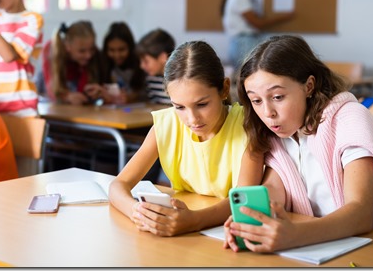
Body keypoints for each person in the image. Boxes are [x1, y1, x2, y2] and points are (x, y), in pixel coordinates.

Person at [224, 35, 373, 253]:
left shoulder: (349, 119)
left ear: (308, 86)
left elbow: (360, 213)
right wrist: (252, 223)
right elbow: (274, 189)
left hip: (371, 247)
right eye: (256, 101)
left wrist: (295, 235)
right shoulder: (277, 134)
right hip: (317, 247)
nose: (268, 113)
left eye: (277, 97)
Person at [109, 40, 264, 237]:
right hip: (185, 232)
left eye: (202, 104)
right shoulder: (165, 126)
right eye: (179, 107)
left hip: (224, 233)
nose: (192, 119)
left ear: (224, 89)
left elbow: (243, 199)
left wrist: (194, 221)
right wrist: (138, 212)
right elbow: (117, 185)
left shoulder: (248, 126)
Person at [220, 0, 294, 71]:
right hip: (243, 44)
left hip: (241, 43)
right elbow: (257, 23)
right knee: (247, 76)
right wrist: (283, 17)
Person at [38, 21, 108, 105]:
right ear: (68, 46)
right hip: (49, 89)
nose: (88, 55)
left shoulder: (93, 53)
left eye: (91, 49)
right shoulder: (51, 50)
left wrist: (97, 92)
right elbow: (52, 89)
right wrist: (67, 96)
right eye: (82, 51)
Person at [101, 22, 146, 104]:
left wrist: (130, 97)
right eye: (111, 50)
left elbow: (144, 92)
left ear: (130, 48)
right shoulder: (105, 64)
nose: (116, 55)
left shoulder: (142, 64)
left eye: (121, 50)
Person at [135, 28, 175, 105]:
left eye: (146, 61)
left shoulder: (180, 80)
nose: (141, 66)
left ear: (163, 57)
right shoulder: (151, 80)